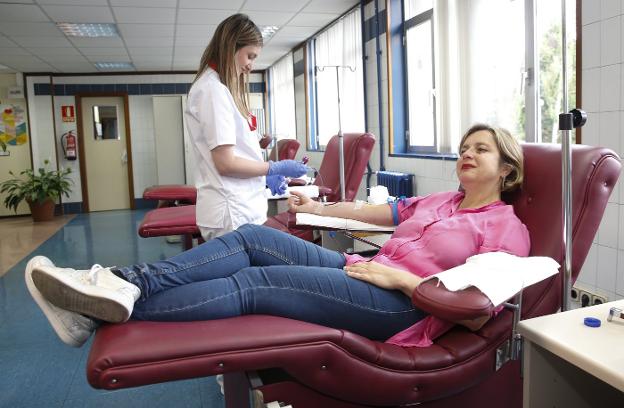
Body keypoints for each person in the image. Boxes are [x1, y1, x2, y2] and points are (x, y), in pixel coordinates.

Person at [25, 124, 530, 348]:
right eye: (464, 146)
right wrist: (320, 206)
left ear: (506, 169)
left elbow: (476, 307)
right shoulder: (439, 200)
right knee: (250, 237)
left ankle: (100, 305)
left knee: (258, 284)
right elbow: (373, 211)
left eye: (480, 149)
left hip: (404, 305)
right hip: (362, 271)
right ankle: (120, 283)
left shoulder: (508, 230)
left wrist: (401, 281)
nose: (467, 153)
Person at [186, 13, 307, 240]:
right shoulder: (212, 91)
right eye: (249, 56)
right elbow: (226, 163)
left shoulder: (221, 90)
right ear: (231, 47)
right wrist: (273, 168)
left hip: (240, 208)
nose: (251, 66)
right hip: (231, 213)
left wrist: (263, 177)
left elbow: (238, 153)